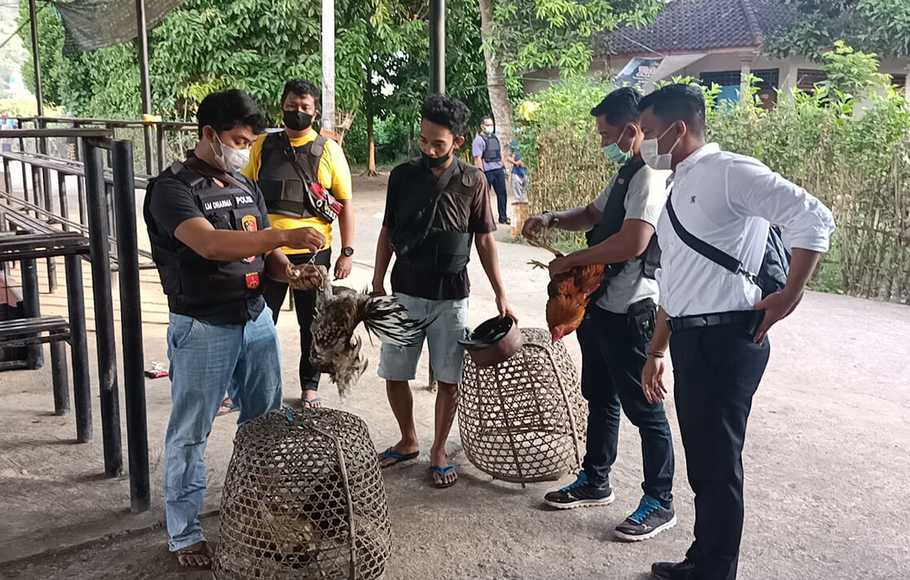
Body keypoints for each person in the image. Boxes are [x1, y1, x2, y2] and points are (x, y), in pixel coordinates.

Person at [637, 84, 835, 580]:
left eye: (650, 131)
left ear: (679, 129)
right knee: (705, 460)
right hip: (690, 337)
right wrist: (657, 347)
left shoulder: (729, 171)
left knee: (718, 463)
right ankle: (704, 558)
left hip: (726, 338)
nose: (644, 142)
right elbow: (675, 280)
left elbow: (813, 216)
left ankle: (715, 569)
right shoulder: (678, 185)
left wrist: (791, 293)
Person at [143, 89, 325, 570]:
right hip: (203, 326)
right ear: (208, 134)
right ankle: (184, 533)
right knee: (191, 432)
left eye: (248, 141)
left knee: (262, 426)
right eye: (237, 140)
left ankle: (256, 510)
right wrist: (286, 233)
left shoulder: (244, 186)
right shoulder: (172, 189)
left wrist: (289, 271)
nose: (243, 149)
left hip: (255, 318)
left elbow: (265, 250)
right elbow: (211, 244)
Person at [523, 87, 677, 541]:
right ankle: (596, 477)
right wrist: (550, 219)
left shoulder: (650, 175)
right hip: (602, 305)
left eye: (606, 134)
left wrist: (570, 261)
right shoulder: (629, 170)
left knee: (645, 407)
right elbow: (593, 213)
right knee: (602, 397)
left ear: (632, 131)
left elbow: (634, 241)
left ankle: (660, 500)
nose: (601, 142)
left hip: (632, 307)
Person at [372, 94, 515, 488]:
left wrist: (501, 293)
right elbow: (387, 231)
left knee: (450, 377)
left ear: (459, 140)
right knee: (395, 372)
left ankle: (438, 449)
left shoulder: (474, 180)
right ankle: (408, 439)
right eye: (424, 141)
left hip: (452, 294)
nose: (429, 149)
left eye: (438, 143)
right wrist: (378, 279)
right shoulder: (402, 176)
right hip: (405, 292)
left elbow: (485, 241)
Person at [242, 79, 354, 408]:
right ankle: (255, 385)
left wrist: (347, 252)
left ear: (315, 112)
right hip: (267, 251)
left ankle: (310, 386)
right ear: (282, 105)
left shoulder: (328, 150)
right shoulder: (263, 145)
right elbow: (248, 193)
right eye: (292, 105)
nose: (298, 111)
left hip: (313, 254)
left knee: (313, 323)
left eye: (305, 107)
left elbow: (345, 204)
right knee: (260, 322)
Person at [473, 116, 510, 225]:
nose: (490, 127)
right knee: (485, 196)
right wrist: (481, 172)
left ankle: (503, 217)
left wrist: (505, 167)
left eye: (491, 124)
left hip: (498, 170)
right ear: (482, 126)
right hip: (487, 171)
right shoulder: (478, 140)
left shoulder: (495, 138)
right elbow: (477, 158)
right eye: (488, 125)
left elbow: (500, 154)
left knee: (502, 194)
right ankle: (485, 219)